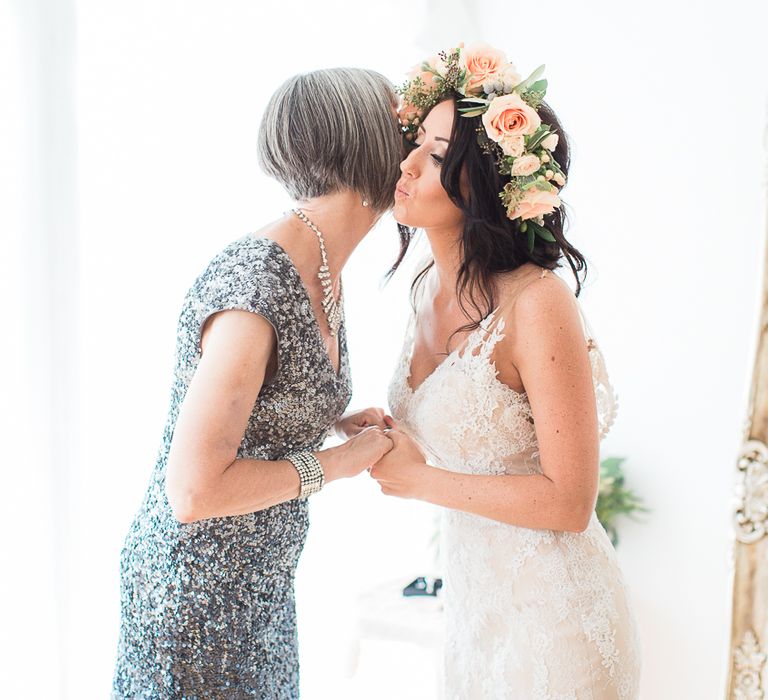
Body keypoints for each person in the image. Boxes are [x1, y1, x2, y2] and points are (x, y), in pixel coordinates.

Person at [111, 67, 402, 699]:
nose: (415, 152)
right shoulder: (256, 286)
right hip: (196, 601)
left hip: (260, 586)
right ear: (371, 148)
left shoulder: (319, 261)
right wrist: (338, 462)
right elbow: (193, 490)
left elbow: (264, 404)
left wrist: (331, 418)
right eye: (403, 131)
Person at [371, 43, 642, 698]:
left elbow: (570, 502)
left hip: (559, 623)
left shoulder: (538, 303)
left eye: (435, 156)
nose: (406, 165)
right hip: (474, 611)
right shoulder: (422, 291)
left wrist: (419, 481)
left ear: (482, 185)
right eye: (416, 144)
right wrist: (386, 439)